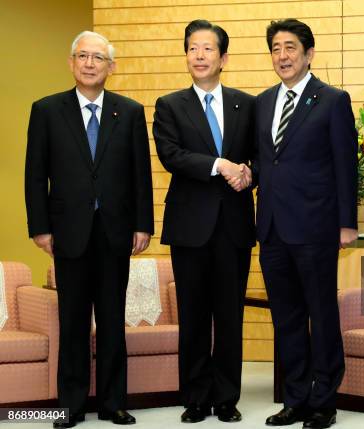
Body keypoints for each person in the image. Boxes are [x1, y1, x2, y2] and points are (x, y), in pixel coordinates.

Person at [25, 31, 153, 428]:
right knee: (74, 320)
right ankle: (72, 404)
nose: (90, 63)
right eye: (83, 56)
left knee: (114, 319)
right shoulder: (46, 110)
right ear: (71, 62)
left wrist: (143, 225)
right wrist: (40, 228)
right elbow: (35, 175)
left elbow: (140, 176)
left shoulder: (129, 112)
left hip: (115, 232)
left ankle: (114, 403)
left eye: (98, 57)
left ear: (111, 67)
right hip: (68, 232)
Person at [252, 18, 358, 429]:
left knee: (321, 313)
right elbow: (266, 160)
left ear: (309, 53)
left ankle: (324, 401)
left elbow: (344, 164)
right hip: (273, 227)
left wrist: (346, 224)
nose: (282, 55)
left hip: (315, 226)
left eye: (290, 47)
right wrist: (248, 173)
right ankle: (295, 398)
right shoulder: (262, 102)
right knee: (287, 318)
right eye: (276, 48)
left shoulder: (332, 99)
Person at [153, 19, 255, 424]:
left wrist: (250, 172)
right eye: (193, 48)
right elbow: (170, 155)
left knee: (230, 316)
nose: (199, 55)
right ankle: (195, 396)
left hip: (233, 226)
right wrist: (220, 165)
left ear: (223, 57)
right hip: (189, 227)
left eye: (208, 48)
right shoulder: (169, 104)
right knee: (193, 315)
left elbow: (263, 155)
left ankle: (227, 397)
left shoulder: (247, 104)